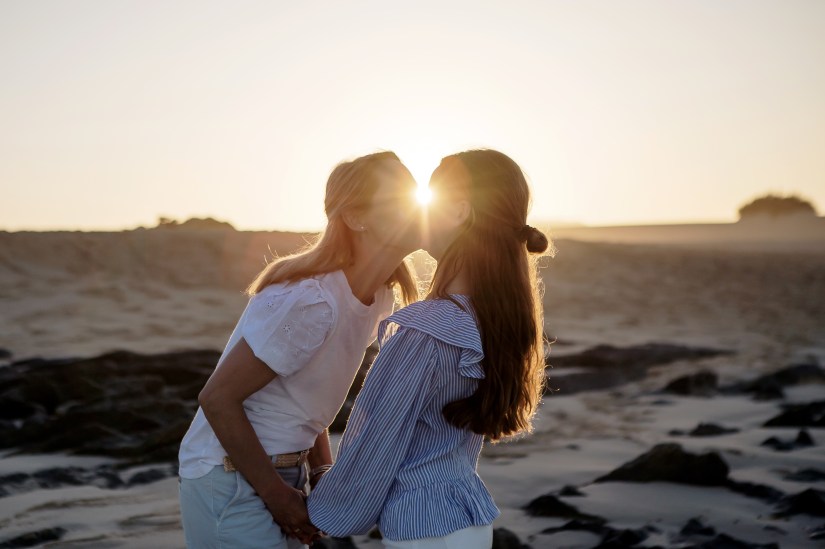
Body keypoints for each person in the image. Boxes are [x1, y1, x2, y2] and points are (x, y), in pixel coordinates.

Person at [177, 151, 422, 548]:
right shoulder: (312, 301)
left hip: (283, 472)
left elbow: (305, 397)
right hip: (228, 478)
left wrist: (321, 467)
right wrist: (276, 496)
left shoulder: (378, 297)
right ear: (355, 218)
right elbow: (217, 398)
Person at [307, 149, 550, 548]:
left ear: (458, 211)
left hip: (423, 528)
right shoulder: (495, 319)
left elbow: (374, 445)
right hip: (470, 521)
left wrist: (320, 506)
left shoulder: (426, 330)